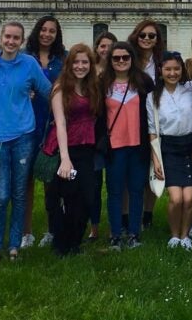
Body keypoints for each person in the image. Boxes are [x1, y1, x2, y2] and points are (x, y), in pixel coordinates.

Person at [0, 21, 54, 265]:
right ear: (0, 38)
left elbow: (48, 91)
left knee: (20, 192)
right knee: (1, 195)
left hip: (24, 135)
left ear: (22, 41)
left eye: (16, 38)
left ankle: (13, 244)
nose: (11, 42)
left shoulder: (29, 64)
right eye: (8, 37)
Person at [42, 44, 101, 256]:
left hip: (86, 148)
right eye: (76, 62)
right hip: (63, 148)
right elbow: (60, 123)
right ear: (69, 64)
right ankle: (61, 243)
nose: (80, 66)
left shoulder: (92, 87)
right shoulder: (60, 88)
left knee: (86, 197)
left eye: (85, 62)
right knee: (62, 197)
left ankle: (74, 241)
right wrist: (65, 159)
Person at [101, 41, 154, 249]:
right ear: (110, 61)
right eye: (116, 58)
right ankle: (115, 233)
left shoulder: (144, 82)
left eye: (125, 57)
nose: (121, 61)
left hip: (138, 145)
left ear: (132, 59)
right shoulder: (102, 83)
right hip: (114, 146)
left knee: (136, 190)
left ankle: (134, 233)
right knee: (114, 191)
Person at [148, 52, 192, 249]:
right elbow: (152, 131)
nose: (172, 73)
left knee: (189, 199)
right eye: (168, 69)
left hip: (191, 146)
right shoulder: (152, 97)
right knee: (175, 199)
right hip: (168, 149)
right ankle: (174, 236)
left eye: (176, 69)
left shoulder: (191, 89)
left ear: (182, 70)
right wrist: (156, 160)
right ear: (160, 71)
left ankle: (185, 235)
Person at [22, 15, 67, 249]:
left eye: (52, 31)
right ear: (37, 31)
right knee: (25, 181)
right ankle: (26, 232)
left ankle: (52, 229)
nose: (47, 34)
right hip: (27, 123)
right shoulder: (24, 58)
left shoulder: (62, 59)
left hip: (52, 123)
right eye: (43, 30)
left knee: (52, 180)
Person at [128, 19, 165, 229]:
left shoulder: (160, 62)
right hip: (131, 116)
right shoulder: (128, 59)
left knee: (153, 165)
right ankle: (132, 212)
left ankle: (148, 214)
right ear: (136, 36)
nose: (147, 39)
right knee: (135, 168)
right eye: (143, 35)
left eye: (152, 36)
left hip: (155, 116)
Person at [88, 31, 117, 240]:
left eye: (110, 46)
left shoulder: (119, 71)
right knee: (94, 183)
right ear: (96, 48)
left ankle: (117, 223)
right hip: (95, 134)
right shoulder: (89, 71)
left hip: (114, 132)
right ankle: (94, 226)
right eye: (102, 45)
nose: (105, 49)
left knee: (115, 183)